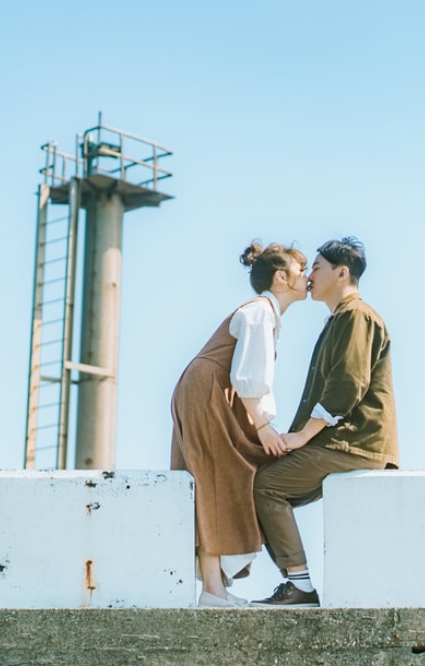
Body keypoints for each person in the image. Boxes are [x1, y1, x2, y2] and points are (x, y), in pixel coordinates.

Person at [251, 237, 398, 607]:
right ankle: (293, 581)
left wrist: (301, 436)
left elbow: (346, 385)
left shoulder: (357, 316)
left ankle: (299, 585)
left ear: (342, 272)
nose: (310, 275)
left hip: (353, 443)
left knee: (265, 486)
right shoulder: (340, 319)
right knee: (257, 480)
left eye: (316, 267)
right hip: (339, 443)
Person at [169, 242, 308, 608]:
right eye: (300, 270)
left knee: (212, 479)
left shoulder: (264, 312)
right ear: (282, 277)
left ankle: (215, 587)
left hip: (209, 390)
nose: (307, 277)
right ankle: (213, 590)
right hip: (210, 391)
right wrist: (263, 427)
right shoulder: (261, 311)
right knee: (215, 479)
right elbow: (248, 376)